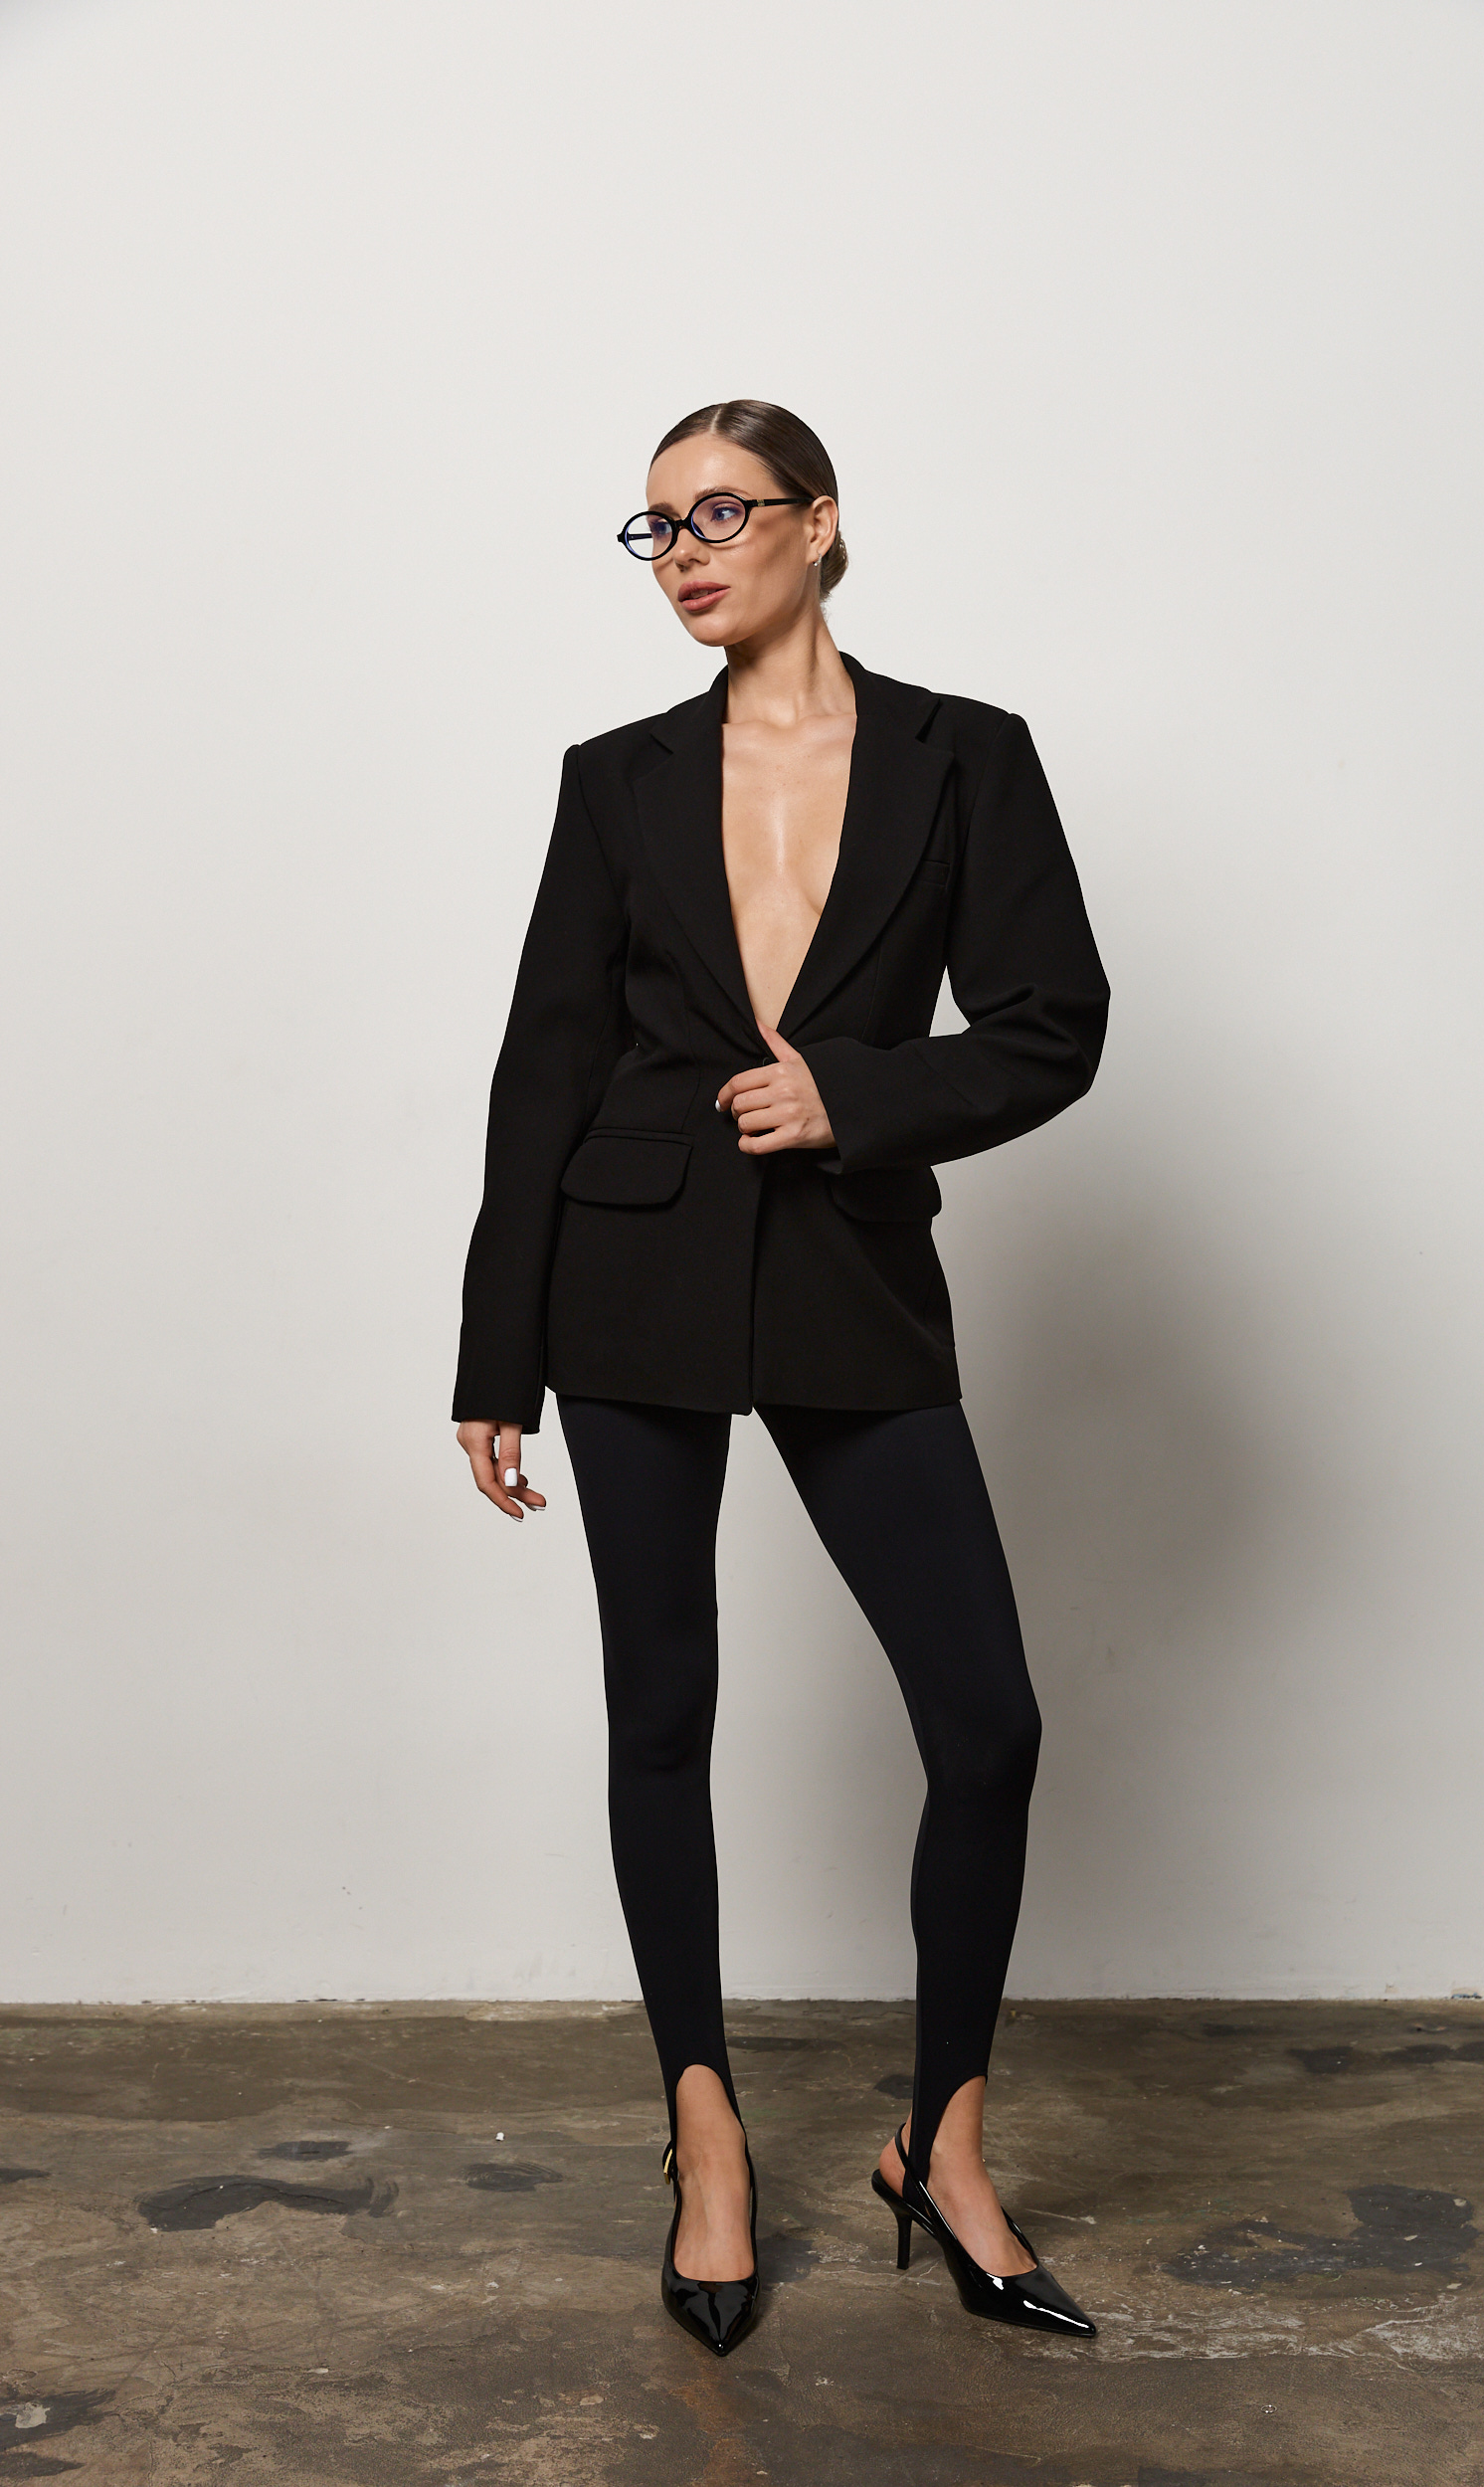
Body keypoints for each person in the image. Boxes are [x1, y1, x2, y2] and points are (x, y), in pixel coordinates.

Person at [453, 401, 1110, 2356]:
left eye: (720, 512)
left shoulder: (966, 756)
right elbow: (544, 1065)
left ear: (820, 524)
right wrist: (496, 1350)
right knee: (662, 1707)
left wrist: (858, 1098)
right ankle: (707, 2134)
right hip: (627, 1277)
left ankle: (947, 2143)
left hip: (847, 1269)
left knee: (986, 1721)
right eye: (654, 526)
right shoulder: (616, 780)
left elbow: (1052, 1024)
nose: (683, 552)